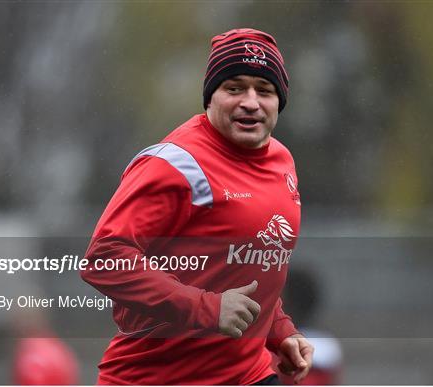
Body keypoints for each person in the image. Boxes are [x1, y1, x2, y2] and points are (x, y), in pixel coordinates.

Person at [81, 28, 313, 385]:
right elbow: (104, 258)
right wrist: (207, 307)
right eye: (234, 88)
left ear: (279, 101)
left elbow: (247, 268)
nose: (250, 101)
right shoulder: (176, 163)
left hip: (248, 376)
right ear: (210, 97)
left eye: (264, 90)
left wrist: (280, 331)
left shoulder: (283, 162)